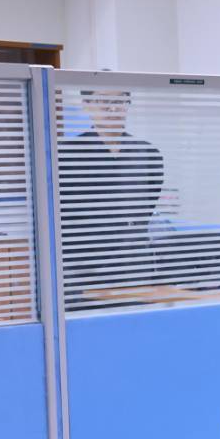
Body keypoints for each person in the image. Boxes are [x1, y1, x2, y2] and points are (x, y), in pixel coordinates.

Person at [57, 88, 165, 305]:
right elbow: (65, 216)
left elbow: (144, 210)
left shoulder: (147, 153)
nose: (113, 108)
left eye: (119, 100)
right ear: (86, 105)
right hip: (85, 271)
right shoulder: (66, 154)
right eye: (103, 101)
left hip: (134, 268)